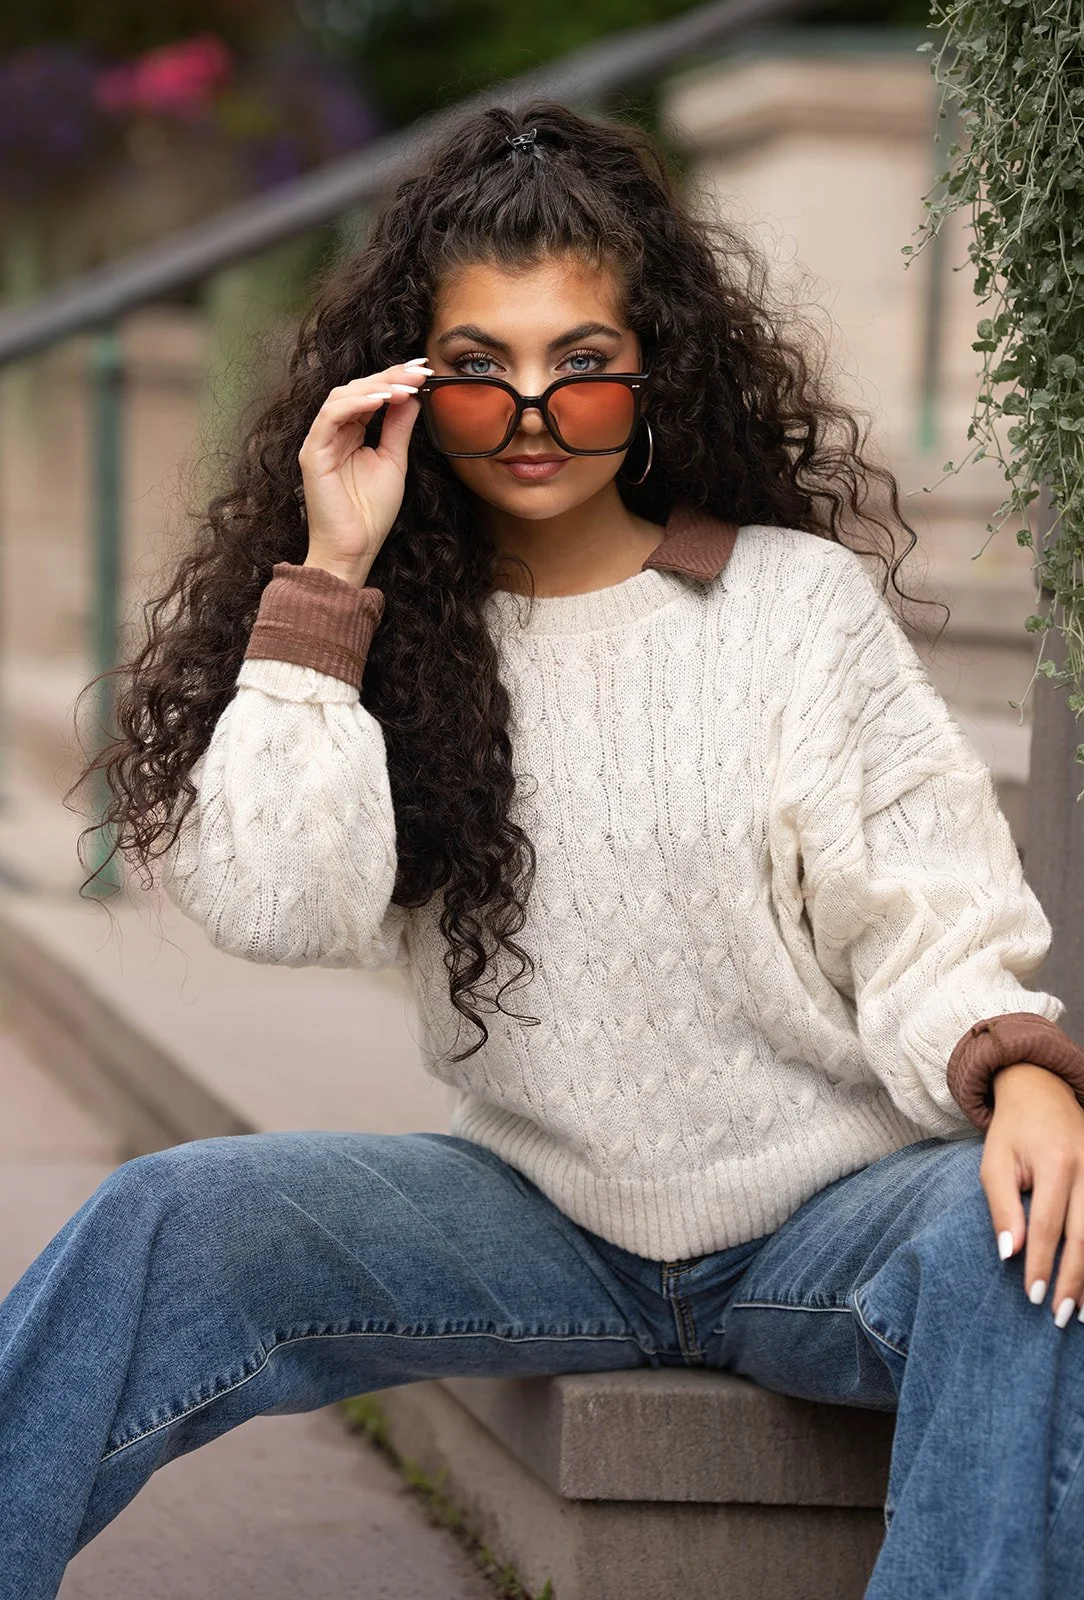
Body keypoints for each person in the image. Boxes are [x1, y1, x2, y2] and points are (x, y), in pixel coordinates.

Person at [3, 99, 1084, 1600]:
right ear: (410, 388)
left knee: (1023, 1245)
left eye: (579, 366)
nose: (529, 415)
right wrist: (332, 569)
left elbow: (926, 906)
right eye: (478, 372)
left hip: (827, 1222)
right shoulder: (397, 633)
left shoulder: (790, 607)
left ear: (652, 371)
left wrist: (1021, 1071)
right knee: (168, 1220)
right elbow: (276, 906)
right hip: (533, 1220)